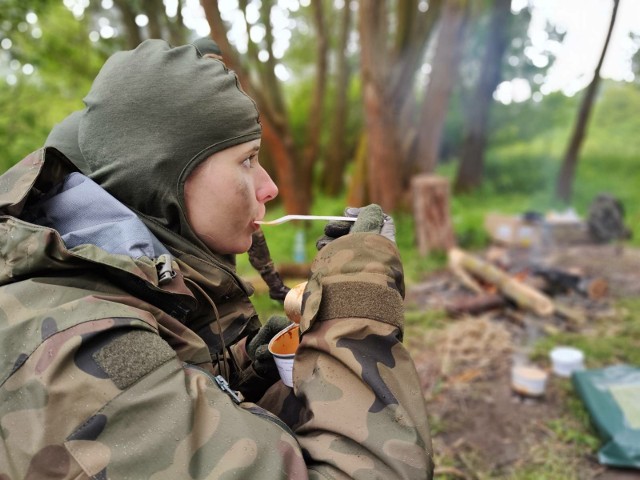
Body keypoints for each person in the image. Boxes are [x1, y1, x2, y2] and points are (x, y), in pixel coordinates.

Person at [0, 39, 433, 478]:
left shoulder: (121, 281)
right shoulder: (80, 353)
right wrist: (355, 315)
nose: (269, 188)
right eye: (247, 160)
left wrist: (251, 374)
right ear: (166, 179)